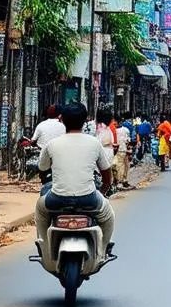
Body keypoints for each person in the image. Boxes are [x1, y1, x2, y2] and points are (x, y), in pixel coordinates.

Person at [35, 102, 115, 256]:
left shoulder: (52, 144)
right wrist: (104, 190)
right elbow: (106, 173)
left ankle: (45, 248)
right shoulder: (94, 143)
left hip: (56, 199)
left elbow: (42, 168)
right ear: (85, 121)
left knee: (40, 209)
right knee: (108, 215)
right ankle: (104, 249)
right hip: (89, 199)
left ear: (62, 120)